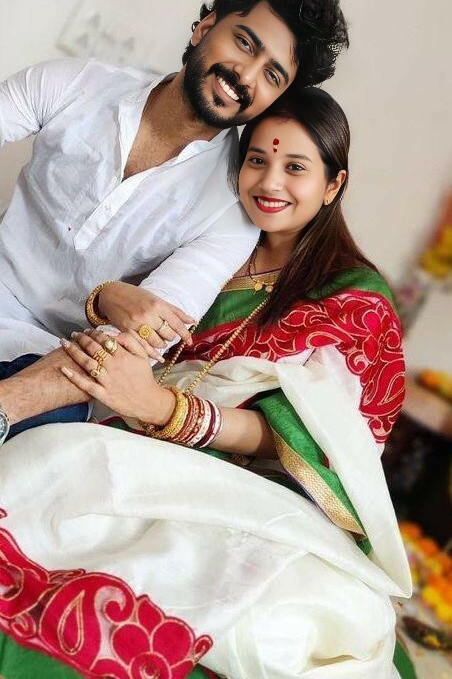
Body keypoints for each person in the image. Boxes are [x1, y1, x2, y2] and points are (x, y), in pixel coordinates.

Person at [0, 87, 414, 678]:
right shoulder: (213, 241)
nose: (270, 182)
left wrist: (163, 408)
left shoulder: (355, 303)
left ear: (333, 184)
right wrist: (108, 296)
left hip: (248, 488)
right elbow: (114, 306)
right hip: (127, 435)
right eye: (257, 160)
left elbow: (325, 445)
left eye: (296, 167)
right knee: (35, 473)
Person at [0, 0, 349, 440]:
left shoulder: (231, 214)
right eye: (245, 43)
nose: (245, 76)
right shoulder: (78, 84)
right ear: (205, 27)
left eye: (272, 74)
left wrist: (7, 403)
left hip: (50, 364)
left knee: (60, 426)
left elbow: (133, 346)